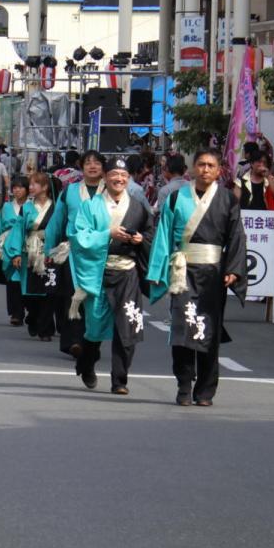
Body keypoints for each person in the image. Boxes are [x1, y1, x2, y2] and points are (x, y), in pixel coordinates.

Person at [147, 149, 247, 406]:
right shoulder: (176, 198)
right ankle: (183, 384)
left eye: (210, 165)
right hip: (183, 271)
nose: (205, 169)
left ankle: (205, 390)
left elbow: (237, 236)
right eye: (201, 164)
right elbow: (164, 237)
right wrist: (159, 271)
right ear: (193, 168)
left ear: (218, 170)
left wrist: (233, 270)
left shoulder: (227, 200)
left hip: (213, 274)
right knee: (182, 328)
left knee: (209, 331)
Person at [70, 157, 155, 394]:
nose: (119, 179)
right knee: (94, 327)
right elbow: (79, 236)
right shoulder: (90, 206)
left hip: (128, 273)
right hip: (99, 271)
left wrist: (141, 240)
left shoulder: (139, 207)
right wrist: (107, 233)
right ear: (105, 177)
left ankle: (120, 380)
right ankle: (86, 363)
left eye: (124, 176)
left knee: (128, 327)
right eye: (114, 174)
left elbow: (150, 234)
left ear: (129, 179)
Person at [43, 150, 106, 358]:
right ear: (81, 166)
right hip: (74, 252)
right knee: (72, 295)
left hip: (101, 252)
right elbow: (57, 221)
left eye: (97, 162)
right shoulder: (70, 192)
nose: (92, 166)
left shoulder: (111, 190)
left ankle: (91, 339)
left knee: (96, 298)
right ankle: (73, 341)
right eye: (88, 163)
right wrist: (49, 250)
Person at [15, 172, 58, 341]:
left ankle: (46, 329)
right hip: (30, 251)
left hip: (50, 251)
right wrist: (16, 252)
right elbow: (18, 230)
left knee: (48, 291)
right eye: (30, 184)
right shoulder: (26, 207)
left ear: (45, 187)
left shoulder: (56, 208)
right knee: (29, 292)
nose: (30, 187)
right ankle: (32, 317)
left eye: (34, 184)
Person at [0, 176, 28, 327]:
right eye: (15, 188)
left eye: (20, 187)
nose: (17, 190)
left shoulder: (32, 207)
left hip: (27, 246)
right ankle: (16, 313)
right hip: (8, 246)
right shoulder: (6, 207)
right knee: (13, 280)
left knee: (27, 280)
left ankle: (28, 309)